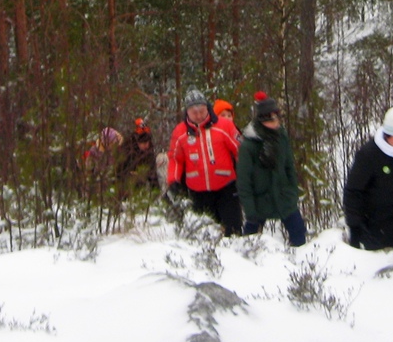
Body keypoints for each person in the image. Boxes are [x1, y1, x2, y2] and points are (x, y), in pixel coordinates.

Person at [167, 89, 242, 235]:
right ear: (187, 112)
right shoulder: (180, 132)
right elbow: (175, 159)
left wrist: (247, 176)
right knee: (205, 235)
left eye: (201, 110)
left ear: (207, 107)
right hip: (198, 192)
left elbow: (241, 151)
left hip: (226, 188)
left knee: (233, 233)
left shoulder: (224, 126)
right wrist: (173, 180)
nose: (199, 115)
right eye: (194, 112)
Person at [237, 91, 306, 246]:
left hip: (283, 197)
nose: (277, 122)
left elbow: (289, 166)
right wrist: (250, 210)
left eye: (277, 117)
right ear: (263, 120)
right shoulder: (249, 145)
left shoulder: (281, 136)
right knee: (248, 241)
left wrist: (292, 192)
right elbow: (244, 181)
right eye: (272, 119)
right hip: (260, 200)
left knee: (299, 233)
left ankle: (299, 266)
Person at [343, 106, 393, 251]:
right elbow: (353, 191)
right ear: (388, 135)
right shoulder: (369, 155)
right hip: (378, 224)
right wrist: (356, 227)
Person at [116, 117, 159, 193]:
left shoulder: (149, 151)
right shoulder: (127, 149)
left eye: (147, 142)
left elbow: (152, 172)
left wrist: (155, 190)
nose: (146, 145)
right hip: (126, 184)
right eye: (143, 143)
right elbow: (119, 170)